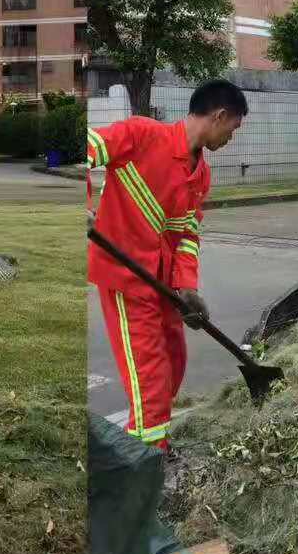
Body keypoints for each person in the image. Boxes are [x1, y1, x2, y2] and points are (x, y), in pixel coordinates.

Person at [87, 80, 249, 451]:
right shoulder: (142, 134)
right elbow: (85, 147)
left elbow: (188, 234)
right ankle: (145, 463)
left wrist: (187, 288)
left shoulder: (200, 174)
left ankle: (147, 440)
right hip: (125, 277)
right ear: (219, 116)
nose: (231, 139)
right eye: (233, 129)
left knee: (173, 364)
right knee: (150, 381)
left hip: (162, 284)